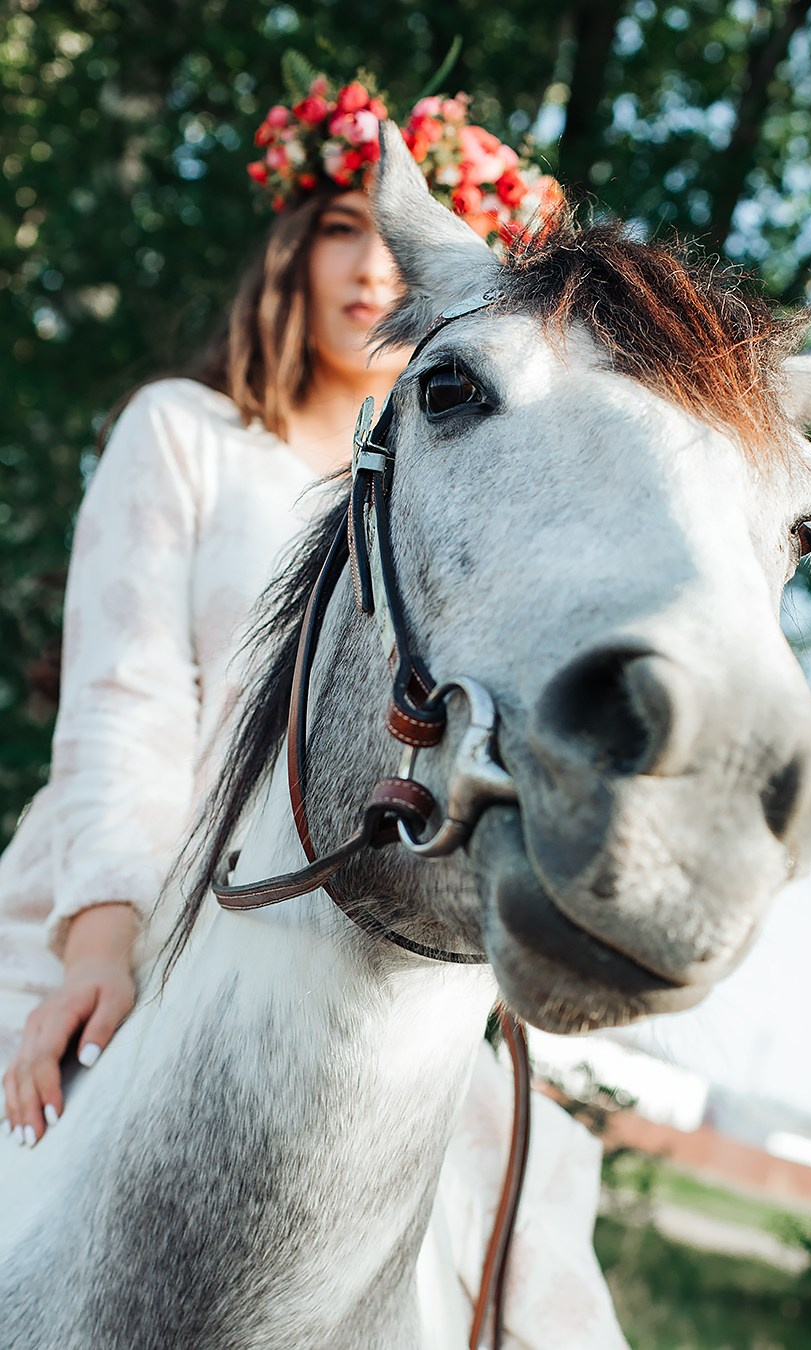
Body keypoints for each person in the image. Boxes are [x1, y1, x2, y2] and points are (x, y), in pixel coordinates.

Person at [0, 62, 626, 1348]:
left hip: (367, 941)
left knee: (531, 1247)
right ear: (292, 248)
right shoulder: (185, 432)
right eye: (347, 229)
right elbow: (124, 695)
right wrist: (101, 941)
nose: (376, 268)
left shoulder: (451, 505)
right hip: (141, 890)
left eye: (414, 248)